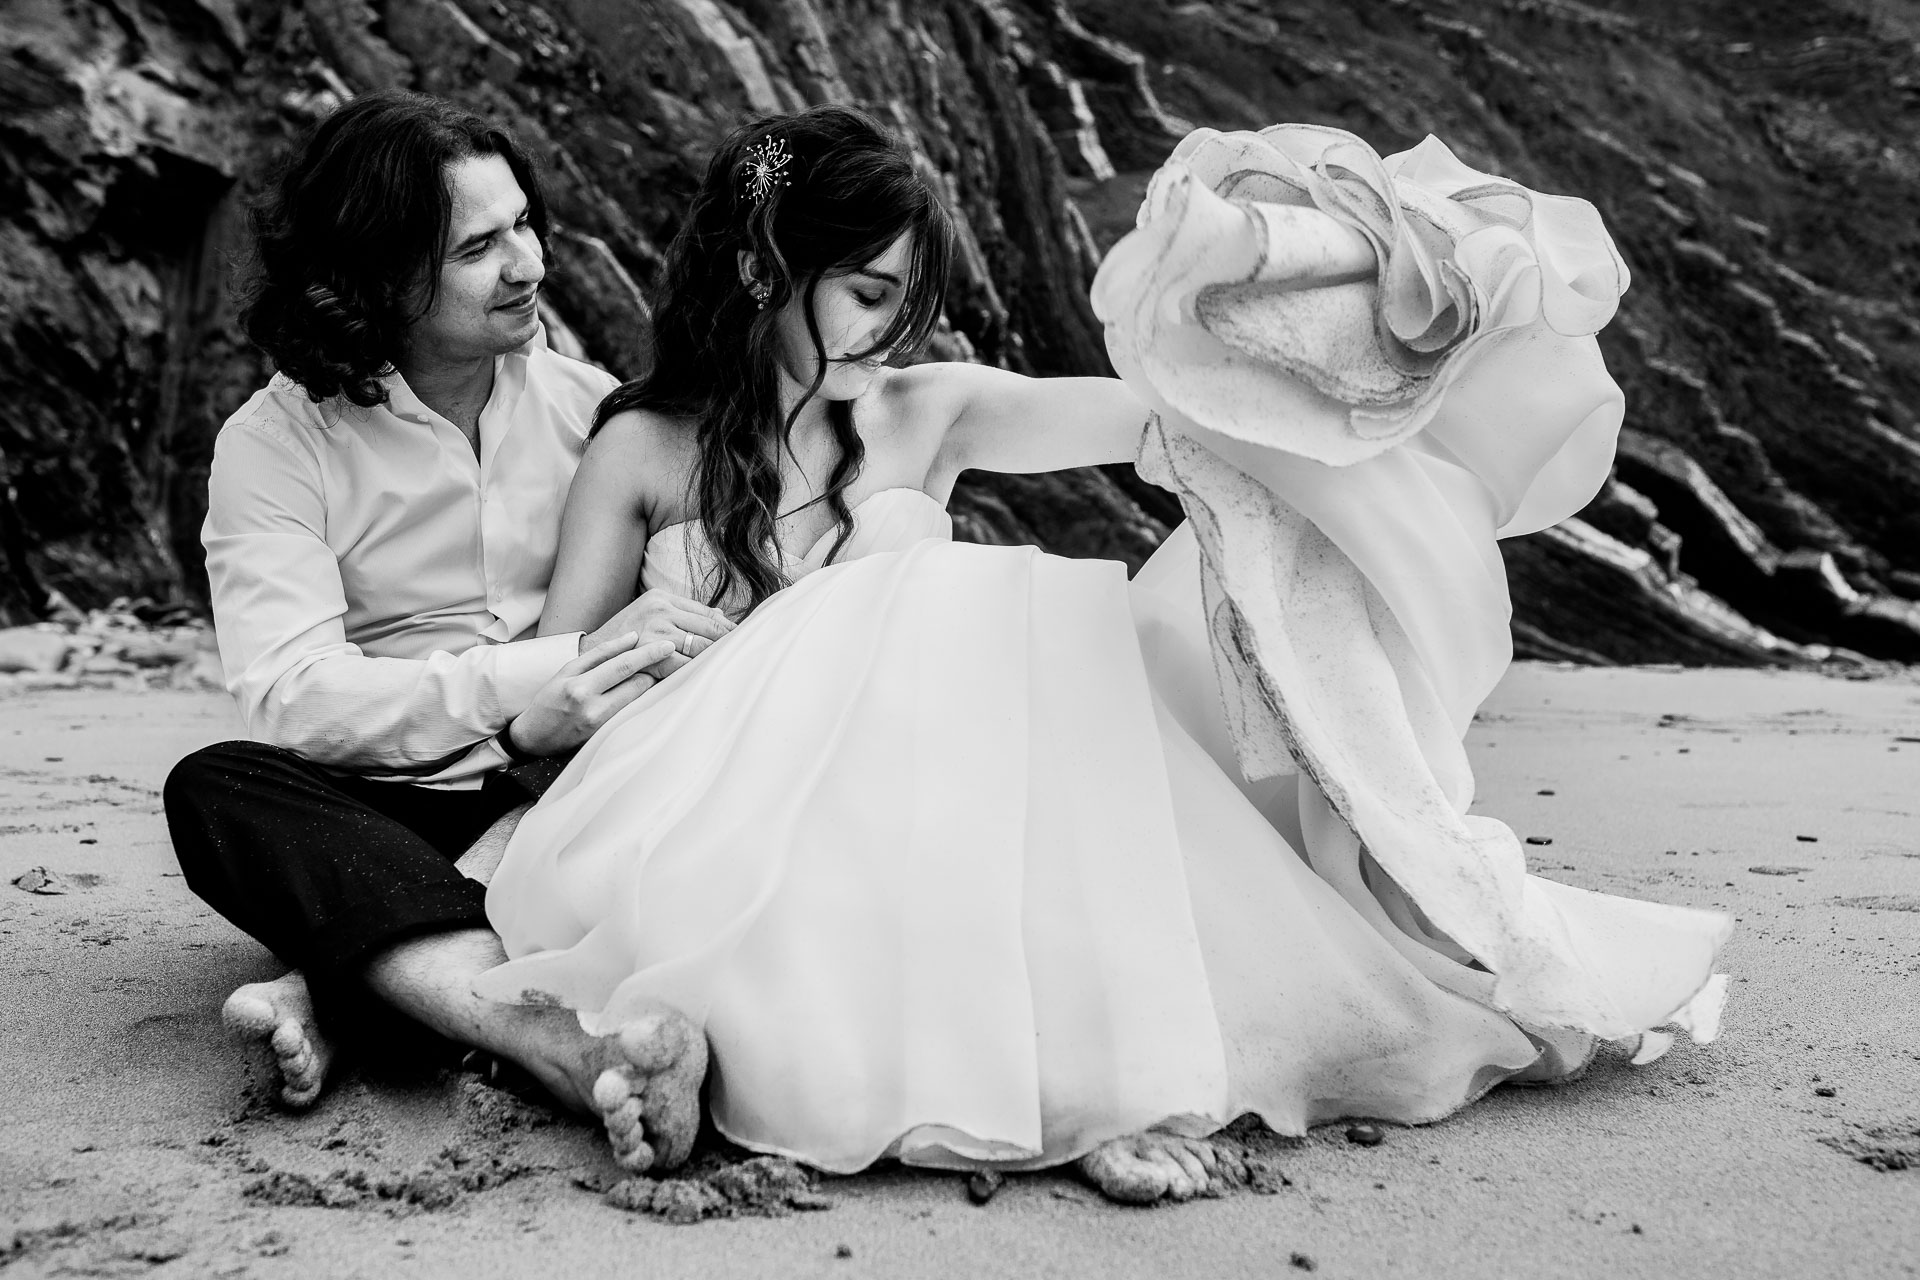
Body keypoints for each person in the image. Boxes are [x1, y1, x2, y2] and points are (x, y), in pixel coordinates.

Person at [474, 106, 1731, 1204]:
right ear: (762, 266)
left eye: (909, 301)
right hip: (717, 799)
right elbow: (546, 682)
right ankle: (862, 1065)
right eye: (866, 292)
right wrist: (610, 651)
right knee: (938, 609)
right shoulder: (643, 448)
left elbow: (1179, 417)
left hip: (926, 810)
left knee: (990, 607)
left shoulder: (929, 408)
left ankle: (1101, 1086)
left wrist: (1326, 279)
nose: (889, 332)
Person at [162, 91, 728, 1172]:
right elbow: (296, 695)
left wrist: (567, 721)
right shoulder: (276, 443)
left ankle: (348, 984)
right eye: (479, 245)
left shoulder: (590, 408)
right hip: (390, 784)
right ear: (375, 276)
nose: (527, 264)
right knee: (219, 786)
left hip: (575, 774)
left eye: (525, 224)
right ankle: (540, 1030)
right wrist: (534, 691)